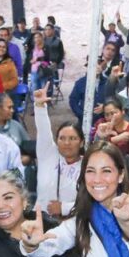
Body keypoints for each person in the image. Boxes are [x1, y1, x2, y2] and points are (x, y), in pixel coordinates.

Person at [32, 84, 83, 218]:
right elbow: (43, 130)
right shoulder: (48, 153)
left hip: (72, 222)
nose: (67, 143)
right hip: (40, 219)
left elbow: (91, 203)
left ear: (81, 142)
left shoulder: (88, 166)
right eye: (62, 138)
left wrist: (64, 208)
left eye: (72, 138)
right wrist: (40, 106)